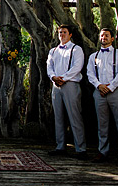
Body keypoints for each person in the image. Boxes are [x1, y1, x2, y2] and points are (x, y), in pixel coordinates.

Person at [87, 28, 118, 164]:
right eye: (101, 35)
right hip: (99, 91)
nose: (103, 37)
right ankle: (103, 151)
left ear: (112, 38)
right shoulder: (93, 56)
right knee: (102, 123)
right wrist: (99, 86)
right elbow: (90, 74)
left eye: (106, 35)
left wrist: (110, 87)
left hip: (116, 91)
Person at [46, 25, 87, 158]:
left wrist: (64, 78)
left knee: (75, 116)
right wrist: (53, 77)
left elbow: (77, 66)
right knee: (58, 117)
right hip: (56, 86)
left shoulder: (76, 49)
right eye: (60, 33)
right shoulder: (53, 51)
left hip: (70, 84)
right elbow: (49, 66)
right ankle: (60, 146)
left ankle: (80, 148)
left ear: (70, 35)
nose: (62, 35)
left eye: (64, 32)